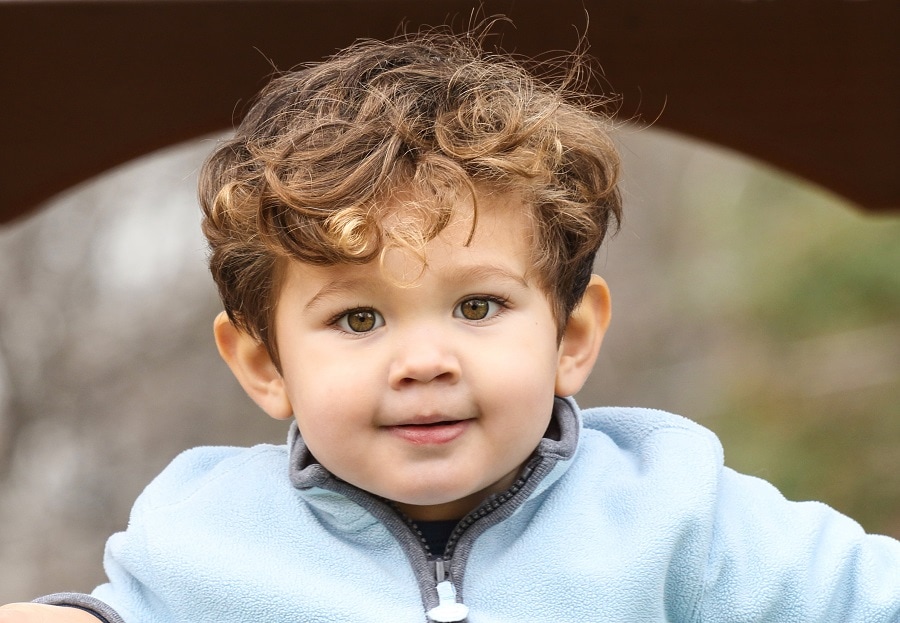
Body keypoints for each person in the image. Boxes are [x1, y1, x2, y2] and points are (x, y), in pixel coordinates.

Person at [1, 26, 899, 623]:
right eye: (357, 318)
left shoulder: (674, 511)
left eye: (478, 307)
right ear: (263, 361)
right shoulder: (209, 530)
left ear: (573, 335)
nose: (424, 360)